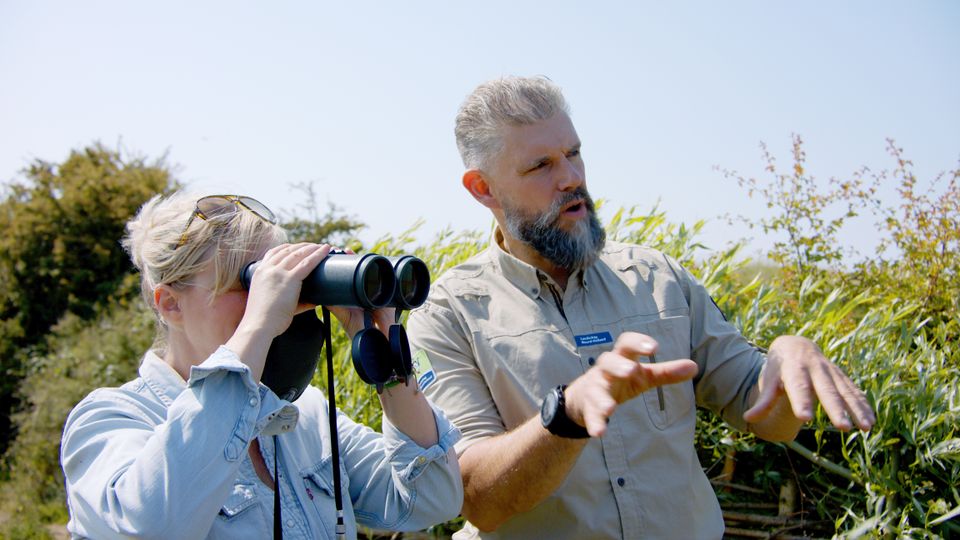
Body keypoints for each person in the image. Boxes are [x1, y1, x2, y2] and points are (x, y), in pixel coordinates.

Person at [405, 76, 876, 539]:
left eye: (573, 154)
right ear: (483, 188)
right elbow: (480, 499)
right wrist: (565, 417)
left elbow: (767, 417)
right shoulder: (448, 316)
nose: (571, 178)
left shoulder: (658, 279)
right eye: (540, 166)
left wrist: (788, 360)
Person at [60, 192, 463, 539]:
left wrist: (387, 354)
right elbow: (152, 527)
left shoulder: (304, 417)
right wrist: (258, 324)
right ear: (169, 303)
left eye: (281, 278)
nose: (274, 297)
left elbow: (432, 499)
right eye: (249, 281)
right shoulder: (110, 419)